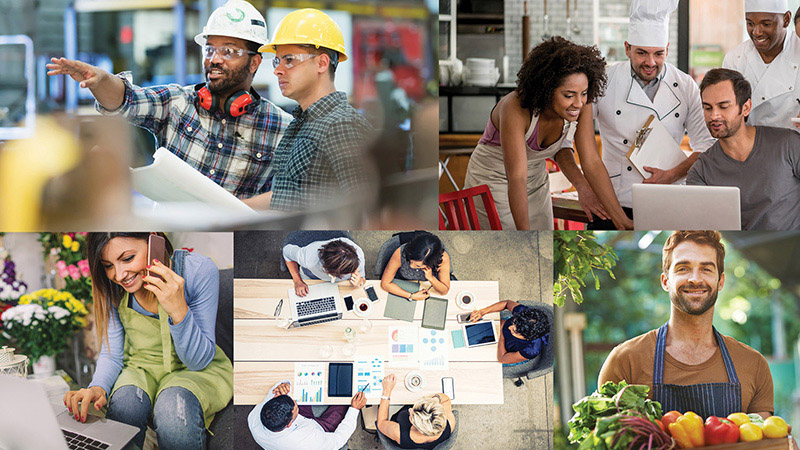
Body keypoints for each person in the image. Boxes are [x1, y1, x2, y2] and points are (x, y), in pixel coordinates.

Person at [46, 0, 291, 206]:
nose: (214, 60)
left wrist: (232, 211)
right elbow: (127, 99)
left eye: (228, 52)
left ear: (254, 63)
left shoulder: (282, 127)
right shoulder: (177, 102)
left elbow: (294, 195)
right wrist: (100, 80)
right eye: (209, 50)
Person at [62, 233, 233, 449]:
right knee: (125, 403)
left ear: (154, 240)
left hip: (196, 370)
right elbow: (112, 354)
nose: (119, 274)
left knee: (172, 406)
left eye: (127, 258)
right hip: (141, 368)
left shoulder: (198, 271)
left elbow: (197, 361)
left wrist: (178, 309)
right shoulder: (112, 286)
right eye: (108, 265)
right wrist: (97, 387)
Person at [598, 231, 773, 418]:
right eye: (683, 268)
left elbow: (766, 441)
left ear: (720, 281)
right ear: (665, 281)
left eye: (706, 269)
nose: (695, 279)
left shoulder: (753, 364)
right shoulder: (625, 361)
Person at [463, 36, 632, 230]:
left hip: (535, 182)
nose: (578, 103)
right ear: (546, 89)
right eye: (568, 95)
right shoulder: (515, 108)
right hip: (492, 181)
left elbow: (591, 161)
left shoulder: (580, 104)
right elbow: (517, 177)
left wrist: (621, 219)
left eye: (584, 93)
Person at [589, 0, 715, 230]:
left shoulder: (685, 85)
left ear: (667, 49)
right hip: (614, 199)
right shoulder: (603, 82)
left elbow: (706, 146)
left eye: (658, 53)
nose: (650, 62)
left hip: (668, 198)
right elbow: (572, 138)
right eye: (641, 53)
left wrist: (673, 174)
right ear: (627, 48)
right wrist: (584, 188)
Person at [250, 8, 375, 212]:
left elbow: (367, 207)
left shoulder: (342, 126)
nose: (277, 70)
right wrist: (232, 207)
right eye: (277, 60)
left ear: (322, 63)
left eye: (289, 60)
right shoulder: (299, 124)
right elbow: (286, 195)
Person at [687, 68, 800, 230]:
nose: (714, 116)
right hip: (742, 252)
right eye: (708, 108)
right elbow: (701, 225)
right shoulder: (701, 171)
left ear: (746, 108)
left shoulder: (788, 144)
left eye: (723, 106)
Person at [723, 0, 800, 131]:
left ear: (786, 19)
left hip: (795, 146)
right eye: (750, 24)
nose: (757, 32)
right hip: (750, 147)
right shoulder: (735, 59)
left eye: (766, 24)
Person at [248, 379, 366, 450]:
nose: (295, 402)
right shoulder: (309, 442)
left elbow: (276, 390)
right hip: (315, 431)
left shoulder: (256, 414)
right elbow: (338, 440)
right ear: (289, 424)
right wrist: (355, 409)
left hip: (298, 423)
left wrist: (283, 385)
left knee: (303, 386)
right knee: (347, 400)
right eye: (295, 406)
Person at [376, 374, 455, 449]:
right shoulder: (450, 424)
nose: (410, 409)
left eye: (412, 416)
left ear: (417, 426)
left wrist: (387, 391)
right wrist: (431, 401)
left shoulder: (399, 433)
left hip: (397, 420)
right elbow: (446, 399)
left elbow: (381, 423)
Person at [283, 234, 366, 296]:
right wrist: (298, 281)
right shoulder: (308, 258)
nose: (355, 270)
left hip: (341, 285)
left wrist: (360, 282)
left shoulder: (358, 256)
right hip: (311, 277)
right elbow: (286, 251)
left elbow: (362, 279)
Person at [469, 301, 550, 364]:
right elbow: (507, 303)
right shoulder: (523, 314)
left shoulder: (531, 350)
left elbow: (502, 359)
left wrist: (502, 334)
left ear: (527, 338)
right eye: (514, 322)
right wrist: (482, 312)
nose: (509, 327)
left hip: (506, 352)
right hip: (500, 329)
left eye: (515, 331)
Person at [380, 232, 451, 300]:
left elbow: (444, 291)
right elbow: (385, 283)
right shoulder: (401, 252)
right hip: (403, 282)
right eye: (411, 261)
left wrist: (431, 278)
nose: (411, 266)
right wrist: (411, 296)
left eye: (417, 265)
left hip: (428, 286)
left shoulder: (443, 259)